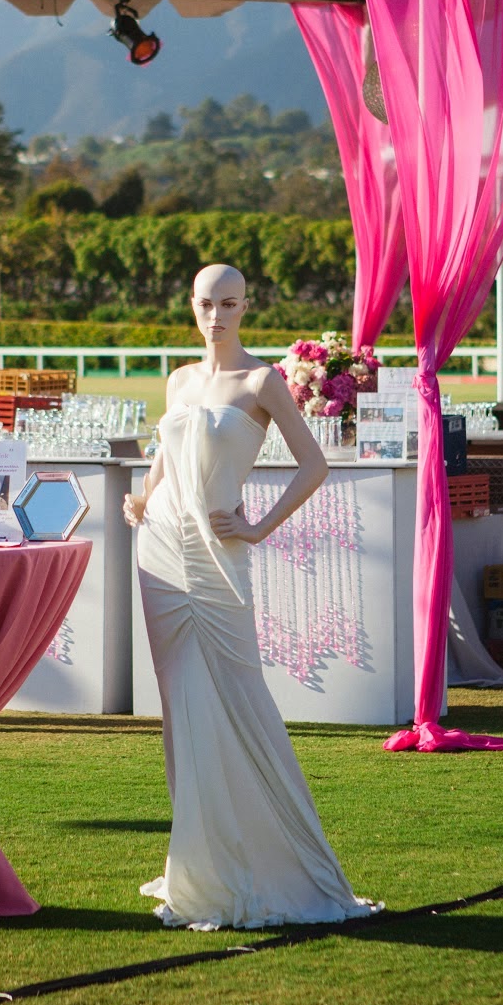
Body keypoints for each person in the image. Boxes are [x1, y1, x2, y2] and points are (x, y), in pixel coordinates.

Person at [121, 264, 380, 930]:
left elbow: (313, 463)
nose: (216, 315)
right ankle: (196, 862)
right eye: (206, 303)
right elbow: (165, 453)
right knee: (179, 708)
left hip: (220, 556)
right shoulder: (179, 379)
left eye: (228, 303)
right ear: (192, 304)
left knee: (244, 701)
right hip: (159, 552)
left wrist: (260, 525)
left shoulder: (263, 381)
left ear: (245, 306)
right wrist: (141, 497)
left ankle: (287, 861)